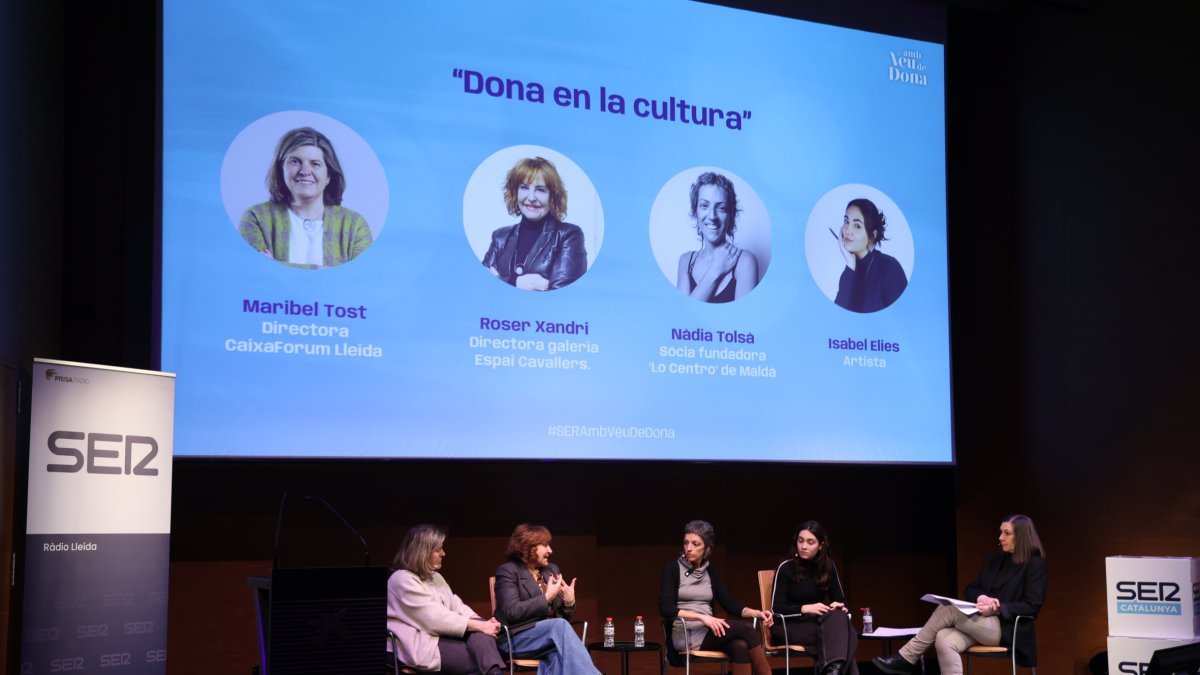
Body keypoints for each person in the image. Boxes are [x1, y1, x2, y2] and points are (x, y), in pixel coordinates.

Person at [873, 515, 1047, 675]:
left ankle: (907, 657)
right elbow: (971, 588)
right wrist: (981, 597)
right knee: (943, 637)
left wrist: (998, 607)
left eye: (1006, 533)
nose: (1000, 537)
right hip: (980, 624)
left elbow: (1032, 606)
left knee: (948, 609)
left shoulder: (1034, 564)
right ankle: (907, 658)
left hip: (1007, 629)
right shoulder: (994, 560)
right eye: (1001, 532)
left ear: (1022, 537)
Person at [239, 126, 373, 269]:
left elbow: (360, 280)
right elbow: (254, 275)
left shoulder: (355, 225)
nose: (305, 171)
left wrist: (276, 265)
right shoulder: (255, 219)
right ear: (281, 169)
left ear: (328, 175)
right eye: (295, 161)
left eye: (315, 164)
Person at [659, 520, 774, 675]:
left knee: (739, 647)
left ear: (706, 548)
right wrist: (702, 618)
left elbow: (729, 603)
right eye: (686, 543)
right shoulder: (672, 569)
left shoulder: (710, 572)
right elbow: (666, 608)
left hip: (708, 631)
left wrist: (756, 613)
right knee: (746, 629)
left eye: (695, 544)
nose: (689, 548)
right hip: (683, 633)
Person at [387, 524, 505, 674]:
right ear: (422, 552)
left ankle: (495, 672)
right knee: (477, 660)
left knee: (482, 639)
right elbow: (435, 619)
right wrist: (480, 626)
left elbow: (458, 606)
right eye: (438, 549)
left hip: (443, 637)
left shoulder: (435, 577)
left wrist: (484, 623)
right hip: (419, 643)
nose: (443, 553)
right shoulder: (402, 580)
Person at [492, 524, 600, 675]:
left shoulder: (551, 571)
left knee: (558, 656)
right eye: (545, 545)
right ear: (527, 546)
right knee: (559, 628)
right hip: (515, 638)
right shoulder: (508, 572)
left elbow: (561, 618)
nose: (551, 550)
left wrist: (568, 603)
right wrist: (547, 597)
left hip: (548, 639)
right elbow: (512, 612)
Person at [482, 157, 587, 291]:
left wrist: (500, 281)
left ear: (552, 196)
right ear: (515, 192)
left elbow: (561, 297)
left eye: (540, 189)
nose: (531, 197)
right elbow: (480, 287)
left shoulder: (569, 236)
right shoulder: (500, 237)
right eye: (524, 188)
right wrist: (516, 282)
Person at [771, 521, 860, 675]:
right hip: (788, 626)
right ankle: (834, 670)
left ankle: (833, 670)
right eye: (800, 541)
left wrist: (841, 606)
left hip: (816, 625)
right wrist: (805, 609)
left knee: (839, 617)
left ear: (820, 545)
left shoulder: (827, 566)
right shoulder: (786, 567)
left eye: (810, 542)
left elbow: (842, 600)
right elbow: (776, 609)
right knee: (843, 635)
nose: (804, 546)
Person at [676, 172, 759, 303]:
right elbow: (682, 316)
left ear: (730, 215)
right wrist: (716, 270)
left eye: (721, 208)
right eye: (704, 205)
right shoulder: (686, 261)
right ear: (695, 211)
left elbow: (742, 321)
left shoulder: (745, 262)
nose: (712, 216)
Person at [830, 198, 907, 312]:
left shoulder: (889, 267)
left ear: (872, 235)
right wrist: (850, 264)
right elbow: (837, 316)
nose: (847, 230)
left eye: (857, 226)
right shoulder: (848, 271)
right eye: (846, 221)